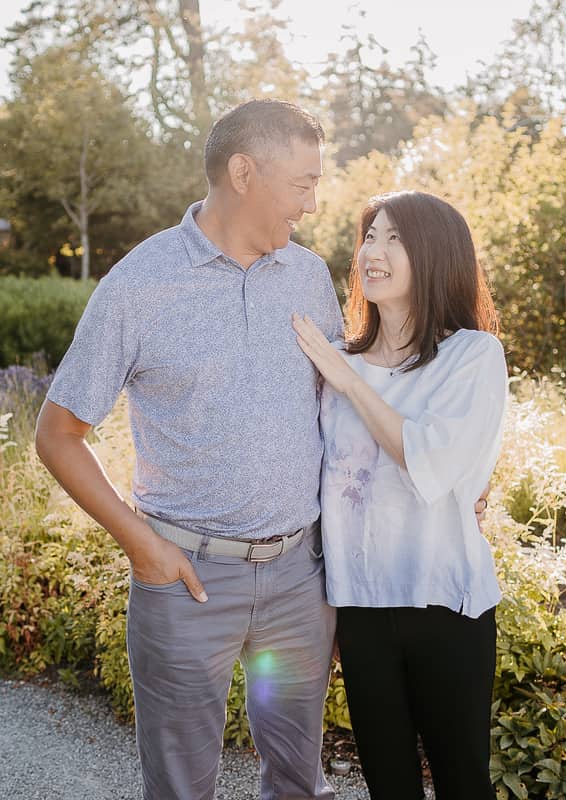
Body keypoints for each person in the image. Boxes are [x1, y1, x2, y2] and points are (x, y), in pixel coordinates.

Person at [34, 99, 340, 800]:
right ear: (243, 172)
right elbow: (58, 436)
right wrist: (143, 546)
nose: (312, 204)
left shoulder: (307, 276)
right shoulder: (138, 285)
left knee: (301, 781)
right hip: (187, 580)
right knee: (179, 788)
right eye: (302, 184)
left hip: (301, 576)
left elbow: (341, 410)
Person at [291, 190, 508, 799]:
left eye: (394, 239)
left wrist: (350, 383)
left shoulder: (472, 355)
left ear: (435, 256)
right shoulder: (336, 359)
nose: (373, 252)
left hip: (445, 602)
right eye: (369, 236)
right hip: (360, 608)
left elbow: (428, 461)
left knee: (463, 780)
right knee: (388, 784)